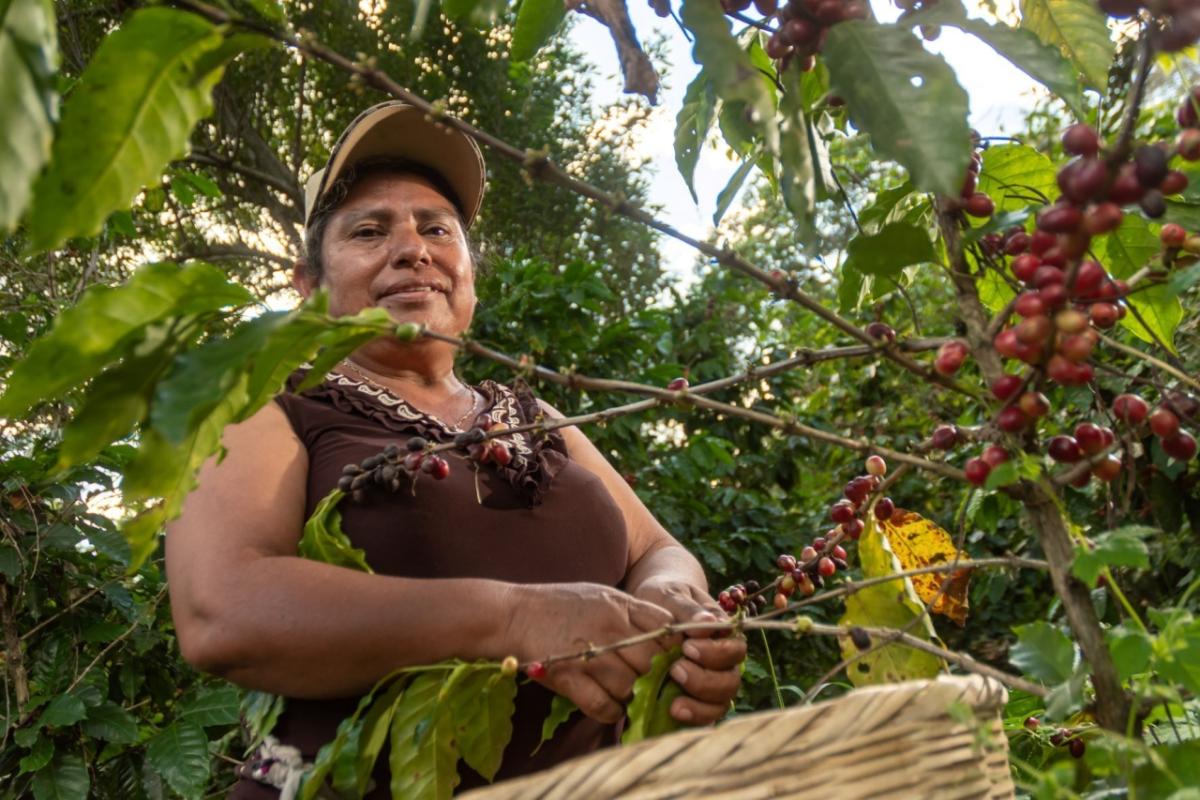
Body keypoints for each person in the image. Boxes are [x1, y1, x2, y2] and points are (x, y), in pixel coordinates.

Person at [165, 101, 745, 797]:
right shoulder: (266, 404)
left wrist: (671, 609)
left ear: (468, 271)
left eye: (437, 228)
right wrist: (515, 618)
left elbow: (657, 548)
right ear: (309, 289)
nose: (413, 248)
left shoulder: (536, 417)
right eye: (370, 231)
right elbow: (221, 611)